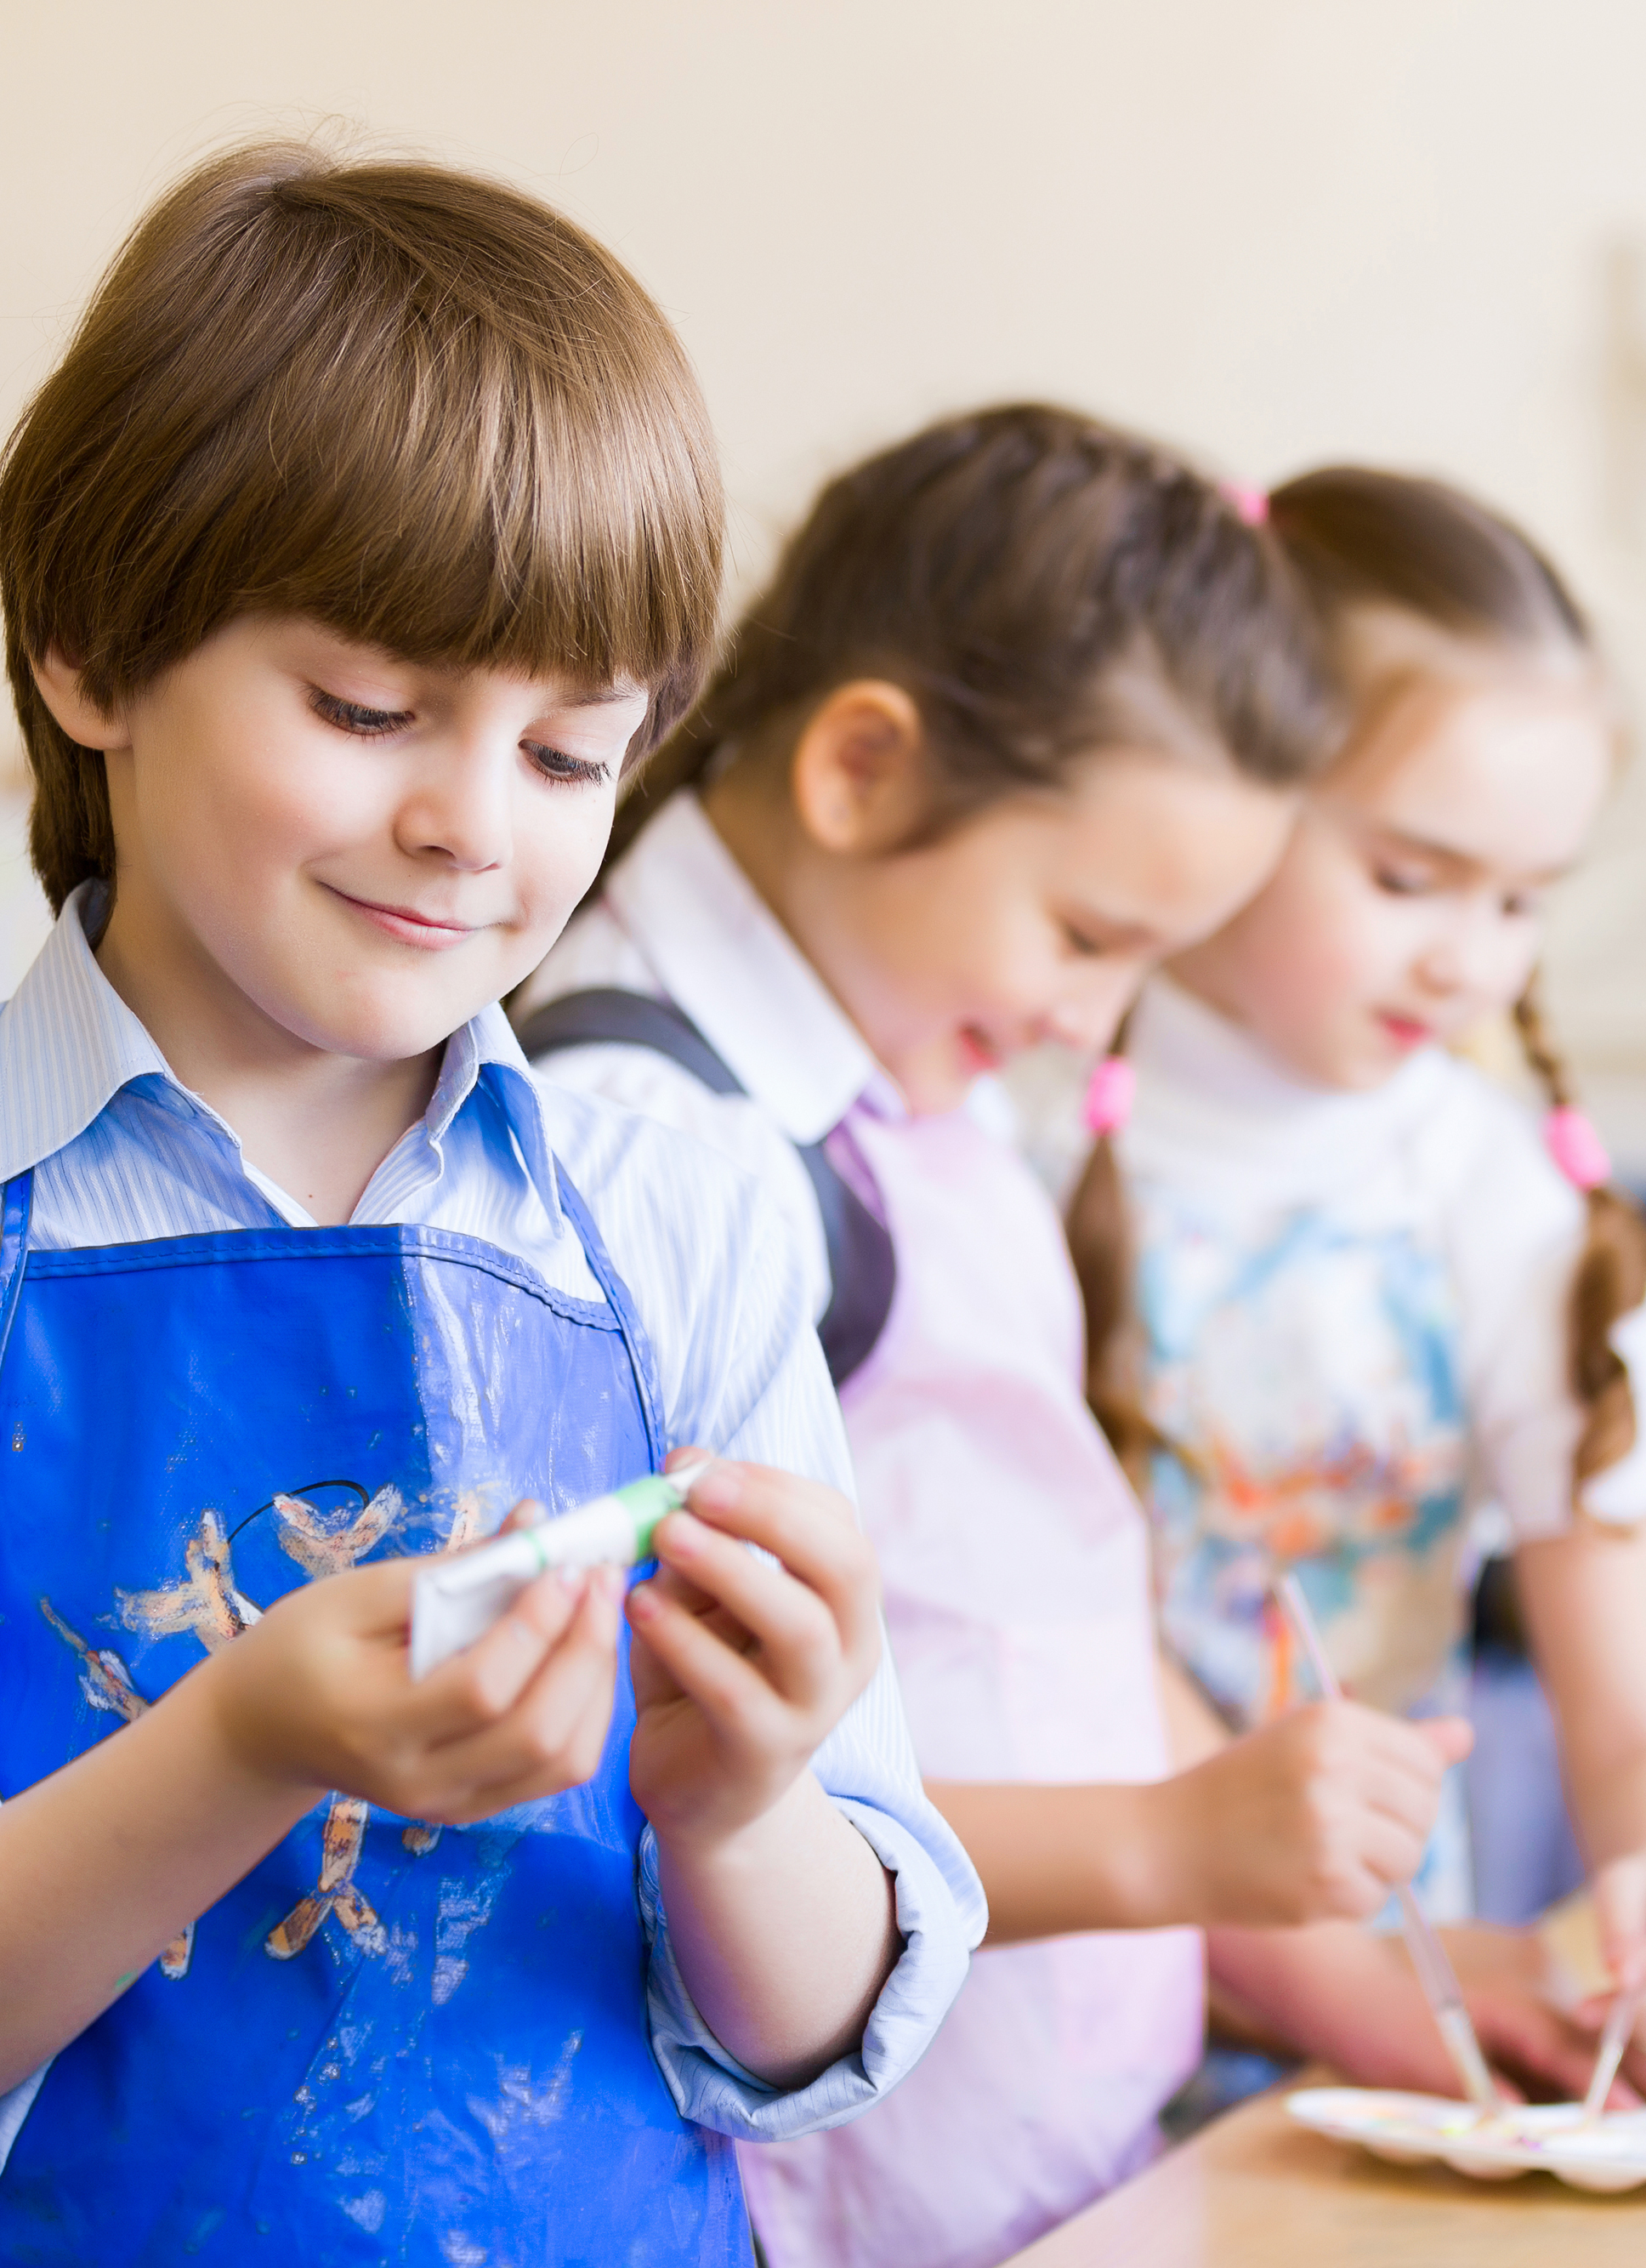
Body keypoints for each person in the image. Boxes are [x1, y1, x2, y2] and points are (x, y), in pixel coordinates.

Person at [0, 140, 975, 2266]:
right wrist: (240, 1740)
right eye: (369, 709)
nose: (467, 823)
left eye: (569, 755)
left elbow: (817, 2026)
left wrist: (739, 1803)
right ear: (91, 650)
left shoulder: (689, 1209)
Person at [519, 403, 1465, 2268]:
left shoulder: (904, 1075)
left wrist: (1336, 1952)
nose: (1093, 1021)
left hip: (1038, 2172)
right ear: (862, 765)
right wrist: (1172, 1845)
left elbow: (1049, 1615)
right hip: (836, 2198)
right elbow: (656, 1784)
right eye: (1085, 931)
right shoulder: (661, 1146)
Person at [1067, 466, 1646, 2106]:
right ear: (1225, 779)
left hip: (1385, 2059)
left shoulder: (1497, 1200)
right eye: (1408, 878)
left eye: (1524, 899)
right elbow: (1070, 1681)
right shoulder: (1005, 1135)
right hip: (1062, 2033)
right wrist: (1348, 1986)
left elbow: (1644, 1720)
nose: (1471, 959)